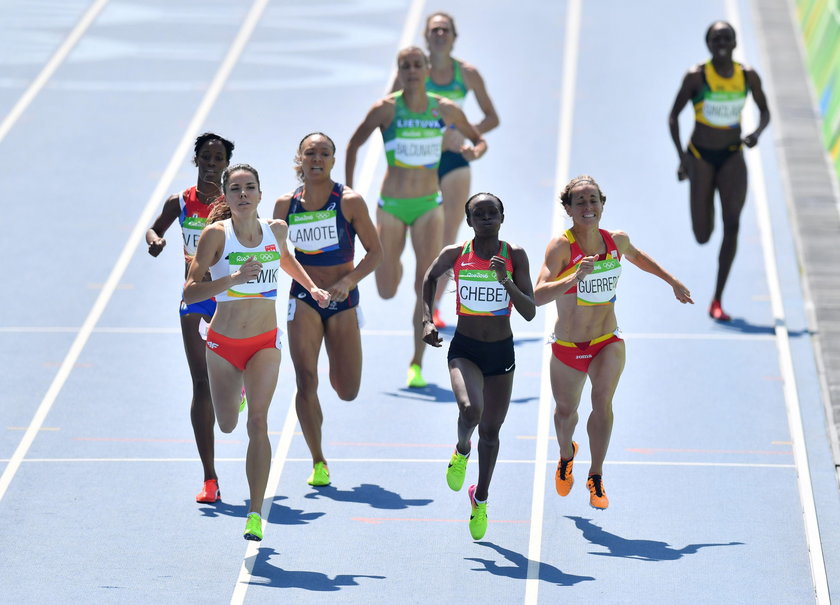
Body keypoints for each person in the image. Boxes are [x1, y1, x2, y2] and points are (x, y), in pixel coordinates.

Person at [184, 164, 329, 541]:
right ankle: (239, 392)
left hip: (265, 341)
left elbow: (284, 259)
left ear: (261, 194)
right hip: (223, 343)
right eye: (236, 189)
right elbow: (189, 292)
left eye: (250, 188)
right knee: (228, 423)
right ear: (226, 197)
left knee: (258, 424)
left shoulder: (276, 230)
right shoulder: (217, 235)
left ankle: (254, 511)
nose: (244, 194)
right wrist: (232, 279)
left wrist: (311, 288)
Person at [534, 176, 693, 510]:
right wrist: (574, 276)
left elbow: (636, 256)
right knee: (565, 413)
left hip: (608, 340)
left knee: (602, 401)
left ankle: (596, 475)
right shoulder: (561, 247)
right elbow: (536, 296)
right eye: (580, 202)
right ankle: (566, 455)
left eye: (594, 200)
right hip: (567, 347)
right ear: (568, 209)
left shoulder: (615, 241)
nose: (588, 207)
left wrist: (672, 281)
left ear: (602, 204)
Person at [346, 46, 488, 389]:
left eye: (416, 65)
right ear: (399, 71)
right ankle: (392, 263)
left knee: (422, 284)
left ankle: (416, 363)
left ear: (426, 69)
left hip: (428, 205)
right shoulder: (387, 109)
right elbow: (353, 145)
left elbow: (478, 141)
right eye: (405, 66)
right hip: (392, 206)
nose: (411, 70)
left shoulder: (444, 109)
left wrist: (471, 150)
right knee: (387, 288)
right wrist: (349, 194)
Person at [421, 192, 535, 540]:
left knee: (491, 432)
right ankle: (460, 450)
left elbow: (529, 311)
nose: (486, 218)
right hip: (465, 349)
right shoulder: (456, 254)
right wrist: (427, 320)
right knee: (470, 411)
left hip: (501, 353)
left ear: (502, 217)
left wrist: (506, 281)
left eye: (492, 213)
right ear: (469, 221)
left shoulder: (514, 256)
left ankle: (480, 497)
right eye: (479, 214)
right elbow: (429, 278)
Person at [273, 132, 382, 487]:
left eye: (324, 153)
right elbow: (277, 254)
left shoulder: (349, 201)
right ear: (299, 160)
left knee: (346, 389)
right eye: (310, 153)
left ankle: (338, 378)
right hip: (304, 298)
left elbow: (376, 253)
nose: (316, 159)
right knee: (305, 379)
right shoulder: (285, 205)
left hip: (342, 300)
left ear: (333, 161)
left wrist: (349, 282)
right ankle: (318, 460)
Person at [392, 12, 500, 329]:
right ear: (426, 37)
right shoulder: (412, 72)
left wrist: (465, 134)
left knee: (447, 238)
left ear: (454, 36)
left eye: (445, 29)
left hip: (453, 161)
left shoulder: (466, 74)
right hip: (418, 161)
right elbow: (388, 109)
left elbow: (492, 118)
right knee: (415, 229)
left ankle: (434, 305)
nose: (439, 34)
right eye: (434, 30)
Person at [145, 132, 234, 504]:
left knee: (228, 380)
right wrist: (155, 241)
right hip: (196, 300)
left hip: (232, 299)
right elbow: (155, 228)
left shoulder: (236, 202)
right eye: (206, 157)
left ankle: (238, 387)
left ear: (227, 164)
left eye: (218, 158)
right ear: (196, 160)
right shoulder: (180, 201)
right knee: (201, 384)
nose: (212, 163)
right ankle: (210, 478)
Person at [668, 20, 770, 321]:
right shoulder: (696, 78)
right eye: (716, 39)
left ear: (735, 42)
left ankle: (717, 299)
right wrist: (682, 158)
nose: (722, 43)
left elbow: (765, 111)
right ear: (708, 45)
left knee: (733, 224)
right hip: (700, 157)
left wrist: (756, 134)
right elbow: (673, 117)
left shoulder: (747, 76)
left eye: (727, 37)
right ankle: (703, 200)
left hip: (732, 156)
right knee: (703, 234)